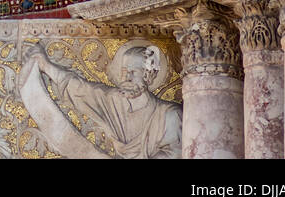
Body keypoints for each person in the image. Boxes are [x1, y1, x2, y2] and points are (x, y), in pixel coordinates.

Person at [21, 41, 181, 158]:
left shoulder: (170, 114)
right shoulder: (112, 101)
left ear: (148, 75)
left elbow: (175, 152)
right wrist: (45, 65)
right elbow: (78, 88)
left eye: (134, 72)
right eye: (124, 71)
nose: (126, 77)